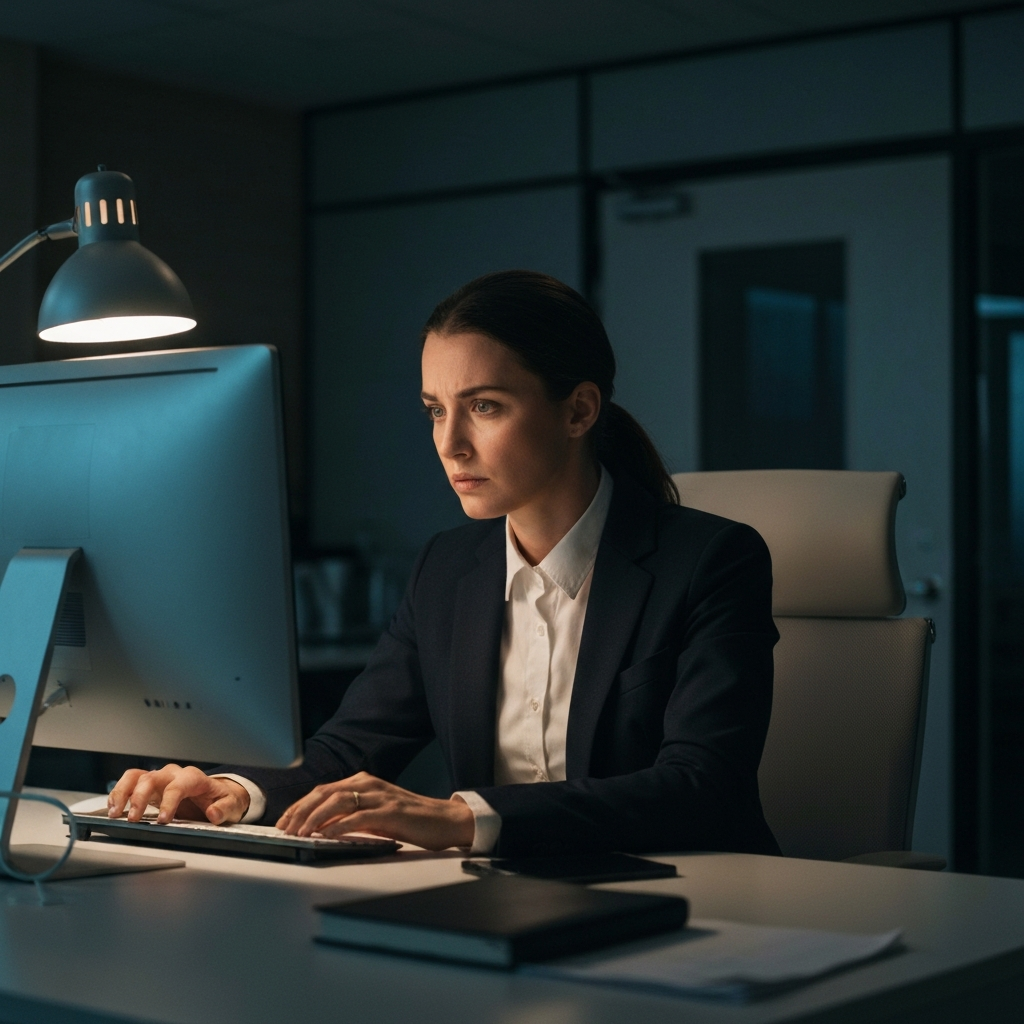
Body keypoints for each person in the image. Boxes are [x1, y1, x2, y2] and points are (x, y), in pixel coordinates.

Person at [107, 270, 781, 857]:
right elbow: (349, 749)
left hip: (692, 900)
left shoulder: (711, 560)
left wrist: (464, 819)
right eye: (435, 411)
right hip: (513, 896)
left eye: (484, 406)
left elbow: (700, 786)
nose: (450, 444)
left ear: (578, 410)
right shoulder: (448, 568)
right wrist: (229, 790)